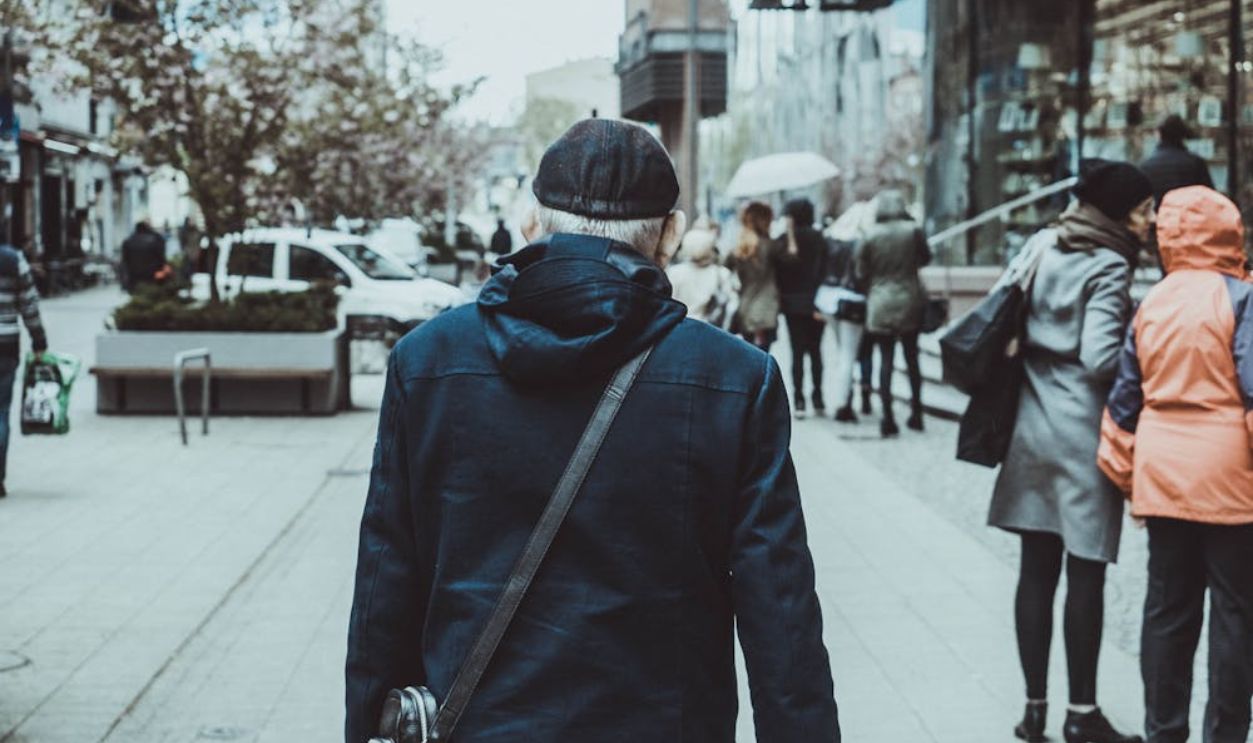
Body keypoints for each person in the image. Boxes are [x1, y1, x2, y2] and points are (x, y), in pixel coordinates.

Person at [345, 118, 840, 743]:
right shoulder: (736, 379)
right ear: (670, 236)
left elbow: (385, 584)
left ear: (533, 223)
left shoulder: (428, 362)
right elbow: (781, 616)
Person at [988, 159, 1154, 743]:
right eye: (1142, 209)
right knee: (1085, 573)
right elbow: (1099, 357)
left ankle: (1034, 711)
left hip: (1029, 425)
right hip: (1081, 433)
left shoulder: (1043, 245)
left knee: (1035, 571)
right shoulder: (1109, 263)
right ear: (1116, 212)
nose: (1149, 220)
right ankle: (1081, 714)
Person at [1098, 186, 1253, 743]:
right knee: (1235, 616)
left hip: (1163, 476)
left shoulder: (1153, 302)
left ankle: (1164, 731)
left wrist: (1129, 475)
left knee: (1167, 612)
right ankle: (1226, 734)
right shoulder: (1240, 298)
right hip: (1230, 483)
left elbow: (1122, 406)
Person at [855, 190, 931, 437]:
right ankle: (917, 413)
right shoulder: (913, 230)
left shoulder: (869, 235)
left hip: (880, 301)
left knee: (885, 360)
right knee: (912, 359)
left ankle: (887, 418)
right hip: (910, 298)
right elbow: (926, 258)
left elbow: (859, 272)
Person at [0, 242, 48, 498]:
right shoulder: (12, 260)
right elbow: (29, 304)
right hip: (5, 346)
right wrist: (39, 340)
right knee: (1, 411)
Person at [776, 198, 829, 419]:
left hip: (792, 304)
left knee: (797, 352)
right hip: (817, 302)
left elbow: (779, 272)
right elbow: (826, 268)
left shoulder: (784, 241)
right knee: (816, 351)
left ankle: (799, 399)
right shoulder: (820, 239)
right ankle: (818, 397)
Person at [727, 201, 780, 352]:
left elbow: (724, 268)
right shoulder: (771, 246)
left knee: (749, 355)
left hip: (746, 308)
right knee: (763, 357)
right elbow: (791, 259)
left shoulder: (738, 247)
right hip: (767, 309)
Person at [666, 228, 739, 327]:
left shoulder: (674, 272)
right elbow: (732, 306)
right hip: (709, 329)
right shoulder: (722, 274)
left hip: (679, 327)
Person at [1138, 115, 1214, 207]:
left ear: (1159, 134)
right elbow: (1209, 198)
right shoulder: (1195, 163)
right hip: (1188, 217)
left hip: (1160, 218)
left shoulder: (1146, 165)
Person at [120, 218, 170, 291]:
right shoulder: (156, 239)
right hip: (153, 277)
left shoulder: (128, 241)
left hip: (134, 278)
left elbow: (125, 261)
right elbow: (161, 258)